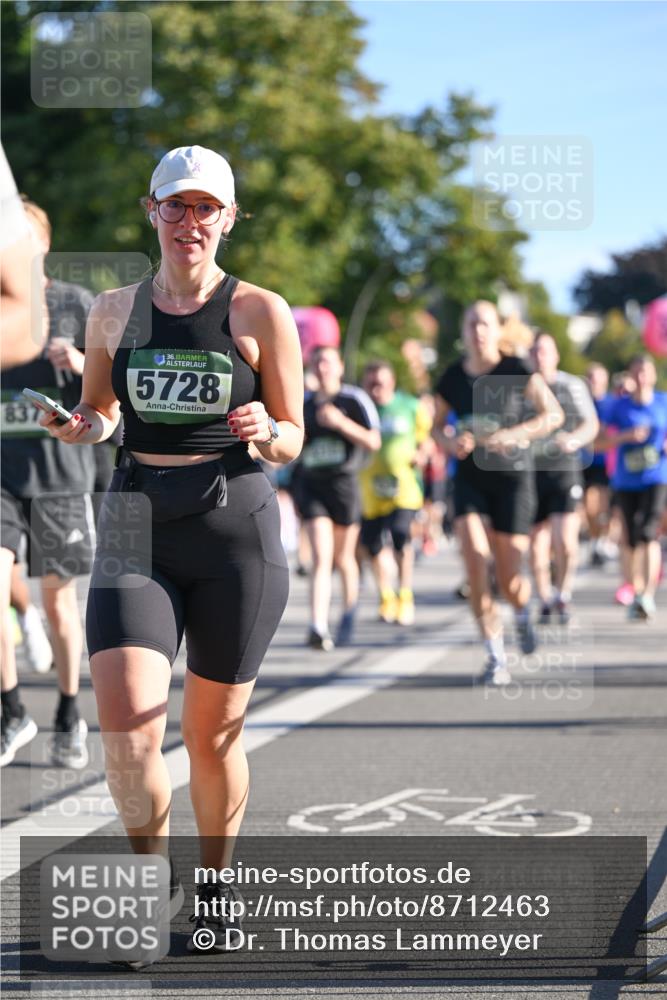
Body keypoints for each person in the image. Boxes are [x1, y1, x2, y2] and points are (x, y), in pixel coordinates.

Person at [40, 145, 304, 959]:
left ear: (228, 218)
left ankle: (217, 888)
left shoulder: (261, 310)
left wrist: (268, 430)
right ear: (150, 210)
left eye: (206, 208)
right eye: (175, 206)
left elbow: (294, 435)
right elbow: (102, 412)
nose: (190, 222)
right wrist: (76, 425)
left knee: (213, 734)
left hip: (234, 532)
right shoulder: (112, 311)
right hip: (133, 522)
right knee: (126, 728)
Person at [1, 197, 95, 769]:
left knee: (60, 605)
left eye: (19, 236)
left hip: (60, 478)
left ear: (42, 244)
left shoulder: (74, 303)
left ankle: (68, 710)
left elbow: (111, 395)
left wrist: (81, 361)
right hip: (1, 476)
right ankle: (11, 709)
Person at [433, 301, 563, 686]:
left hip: (512, 479)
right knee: (475, 562)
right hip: (470, 479)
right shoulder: (453, 377)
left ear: (496, 328)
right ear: (463, 329)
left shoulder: (515, 368)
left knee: (509, 577)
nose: (478, 330)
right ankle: (495, 657)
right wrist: (448, 440)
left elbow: (552, 415)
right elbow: (436, 426)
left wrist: (514, 434)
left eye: (485, 323)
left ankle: (522, 614)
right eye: (471, 323)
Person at [295, 345, 380, 649]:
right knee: (321, 556)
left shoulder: (354, 399)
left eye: (328, 362)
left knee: (344, 558)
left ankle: (348, 611)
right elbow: (293, 443)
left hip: (345, 487)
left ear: (340, 366)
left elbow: (373, 440)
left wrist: (340, 423)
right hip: (313, 485)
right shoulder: (302, 403)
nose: (322, 368)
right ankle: (317, 625)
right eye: (317, 363)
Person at [528, 332, 599, 625]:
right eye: (534, 352)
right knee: (535, 544)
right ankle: (544, 597)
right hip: (530, 472)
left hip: (564, 469)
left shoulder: (571, 385)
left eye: (545, 351)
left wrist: (573, 440)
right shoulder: (520, 386)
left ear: (556, 355)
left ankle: (563, 594)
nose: (539, 357)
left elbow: (591, 423)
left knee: (565, 541)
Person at [359, 361, 432, 625]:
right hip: (369, 489)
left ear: (391, 382)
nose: (376, 388)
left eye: (380, 383)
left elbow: (426, 440)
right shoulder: (362, 409)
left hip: (404, 487)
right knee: (371, 544)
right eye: (371, 384)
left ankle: (405, 595)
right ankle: (386, 596)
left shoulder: (410, 406)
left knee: (401, 534)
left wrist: (422, 455)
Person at [597, 354, 667, 620]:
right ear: (630, 376)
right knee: (630, 538)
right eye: (635, 372)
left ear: (652, 375)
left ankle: (646, 596)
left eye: (644, 372)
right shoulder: (618, 406)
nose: (640, 378)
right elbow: (598, 442)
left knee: (649, 533)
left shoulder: (663, 402)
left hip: (656, 476)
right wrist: (624, 436)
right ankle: (635, 590)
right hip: (626, 480)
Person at [582, 363, 614, 566]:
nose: (593, 382)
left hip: (607, 463)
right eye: (590, 377)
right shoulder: (581, 403)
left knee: (605, 507)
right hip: (585, 462)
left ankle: (603, 541)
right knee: (589, 507)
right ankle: (597, 541)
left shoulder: (612, 404)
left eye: (597, 378)